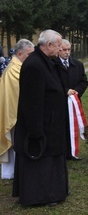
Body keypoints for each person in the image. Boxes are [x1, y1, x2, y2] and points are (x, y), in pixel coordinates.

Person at [12, 29, 69, 206]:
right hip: (41, 126)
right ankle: (41, 196)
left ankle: (54, 193)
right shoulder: (34, 65)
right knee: (41, 164)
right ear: (49, 45)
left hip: (52, 123)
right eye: (59, 45)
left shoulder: (48, 62)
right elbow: (32, 102)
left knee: (52, 162)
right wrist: (36, 131)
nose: (61, 48)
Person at [0, 39, 35, 179]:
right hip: (13, 114)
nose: (32, 57)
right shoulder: (14, 69)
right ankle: (11, 172)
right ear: (20, 53)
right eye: (29, 54)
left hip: (16, 112)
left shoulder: (18, 66)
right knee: (14, 141)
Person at [58, 39, 88, 160]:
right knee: (61, 127)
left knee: (73, 127)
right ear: (59, 49)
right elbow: (52, 83)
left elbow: (84, 81)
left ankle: (72, 152)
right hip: (60, 102)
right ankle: (61, 152)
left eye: (69, 50)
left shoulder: (78, 65)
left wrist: (77, 91)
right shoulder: (53, 65)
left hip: (74, 102)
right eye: (64, 50)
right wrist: (65, 91)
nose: (67, 52)